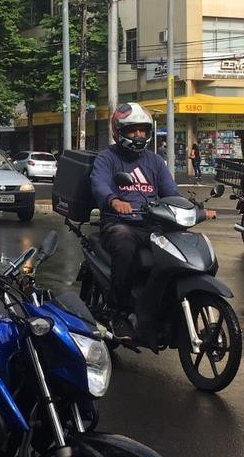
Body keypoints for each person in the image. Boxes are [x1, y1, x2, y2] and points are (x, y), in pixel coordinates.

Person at [89, 103, 213, 340]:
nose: (138, 135)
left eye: (143, 130)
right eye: (133, 130)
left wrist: (197, 210)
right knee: (124, 243)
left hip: (153, 225)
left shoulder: (155, 161)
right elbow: (99, 183)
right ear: (118, 131)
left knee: (180, 251)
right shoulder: (108, 158)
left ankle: (160, 307)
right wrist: (114, 200)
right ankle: (118, 311)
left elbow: (171, 192)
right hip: (120, 223)